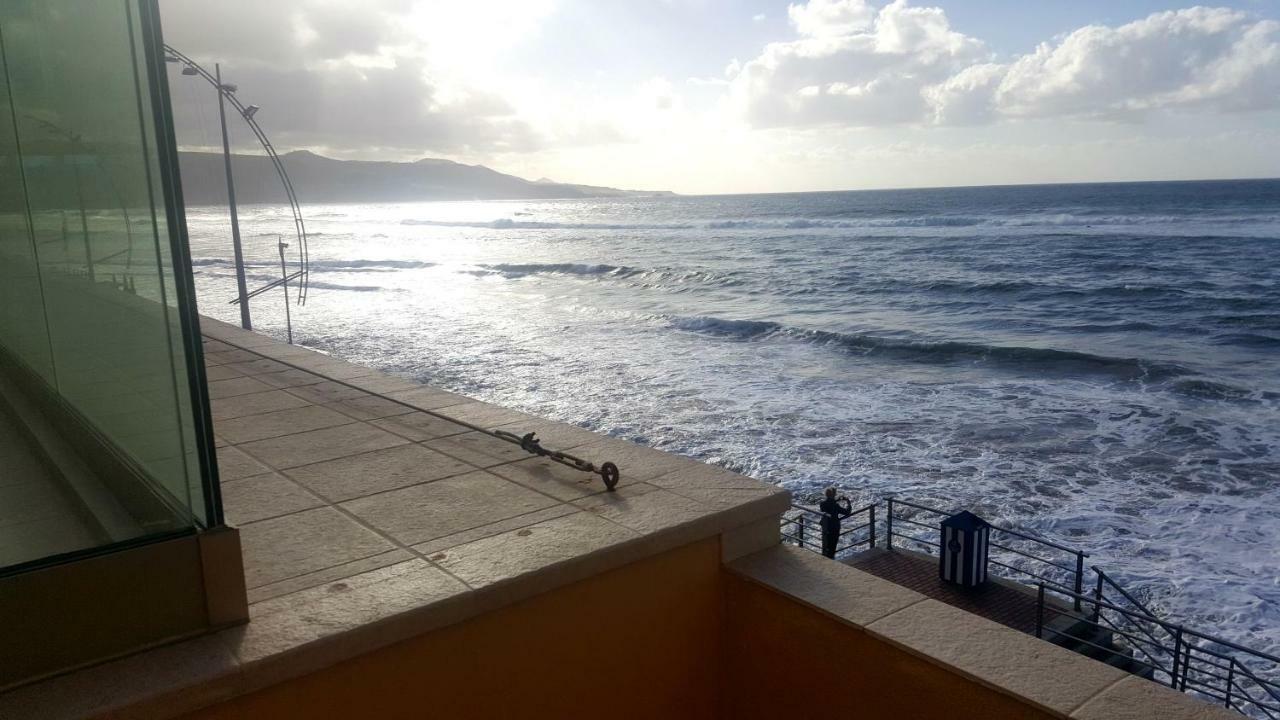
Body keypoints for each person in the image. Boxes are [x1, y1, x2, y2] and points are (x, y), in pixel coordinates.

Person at [818, 487, 853, 558]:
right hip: (834, 527)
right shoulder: (836, 505)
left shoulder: (822, 504)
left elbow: (829, 504)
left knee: (826, 544)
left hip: (826, 526)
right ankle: (831, 559)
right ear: (834, 495)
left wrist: (837, 499)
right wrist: (848, 503)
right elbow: (847, 512)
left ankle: (825, 557)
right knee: (832, 546)